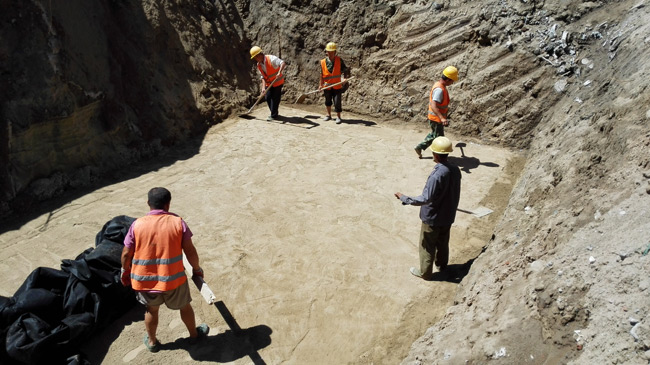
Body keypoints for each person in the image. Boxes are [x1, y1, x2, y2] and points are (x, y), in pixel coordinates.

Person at [120, 187, 209, 352]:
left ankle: (152, 342)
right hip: (173, 279)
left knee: (151, 310)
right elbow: (190, 251)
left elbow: (126, 254)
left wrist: (125, 272)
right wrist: (196, 269)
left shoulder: (136, 225)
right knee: (185, 307)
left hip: (145, 281)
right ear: (168, 204)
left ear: (148, 204)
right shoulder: (177, 222)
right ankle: (194, 336)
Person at [395, 137, 461, 280]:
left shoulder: (437, 175)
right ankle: (442, 266)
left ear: (435, 154)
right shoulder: (455, 169)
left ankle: (425, 273)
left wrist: (404, 198)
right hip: (448, 215)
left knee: (427, 245)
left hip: (432, 217)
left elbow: (426, 199)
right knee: (443, 242)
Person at [414, 66, 459, 159]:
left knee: (434, 134)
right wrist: (442, 118)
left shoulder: (440, 85)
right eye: (452, 80)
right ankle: (439, 157)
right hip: (436, 119)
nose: (452, 83)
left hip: (436, 118)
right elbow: (433, 105)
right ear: (448, 79)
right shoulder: (439, 90)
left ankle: (420, 147)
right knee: (439, 139)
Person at [250, 46, 286, 121]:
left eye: (255, 57)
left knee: (275, 98)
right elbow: (262, 76)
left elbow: (282, 63)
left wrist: (279, 72)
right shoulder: (259, 65)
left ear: (259, 55)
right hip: (269, 83)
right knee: (268, 97)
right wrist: (263, 88)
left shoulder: (271, 59)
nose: (255, 59)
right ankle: (274, 112)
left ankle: (274, 115)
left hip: (277, 82)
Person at [319, 42, 350, 124]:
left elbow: (345, 70)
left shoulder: (339, 60)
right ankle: (328, 115)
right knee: (328, 101)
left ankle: (338, 117)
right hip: (327, 86)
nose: (329, 54)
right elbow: (321, 75)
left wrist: (344, 78)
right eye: (328, 52)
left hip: (337, 86)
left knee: (337, 102)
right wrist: (320, 85)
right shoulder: (322, 62)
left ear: (335, 52)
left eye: (331, 52)